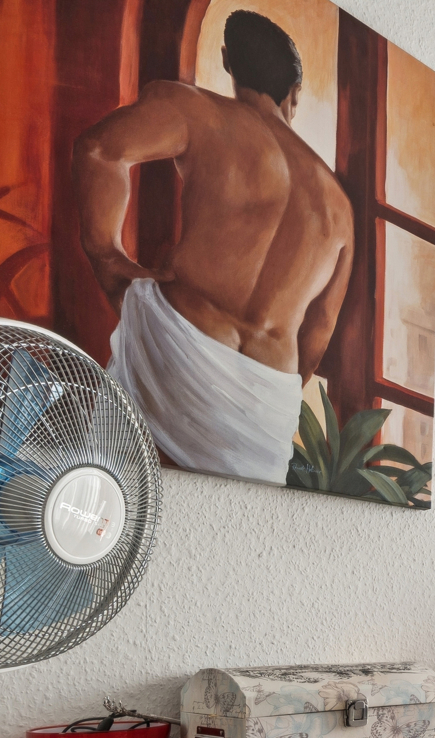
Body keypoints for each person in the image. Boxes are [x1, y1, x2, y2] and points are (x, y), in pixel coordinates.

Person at [73, 10, 353, 485]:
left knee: (119, 488)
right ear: (295, 93)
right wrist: (261, 386)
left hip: (180, 351)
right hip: (266, 402)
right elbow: (319, 330)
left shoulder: (197, 112)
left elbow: (99, 150)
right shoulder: (339, 205)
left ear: (227, 61)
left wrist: (108, 258)